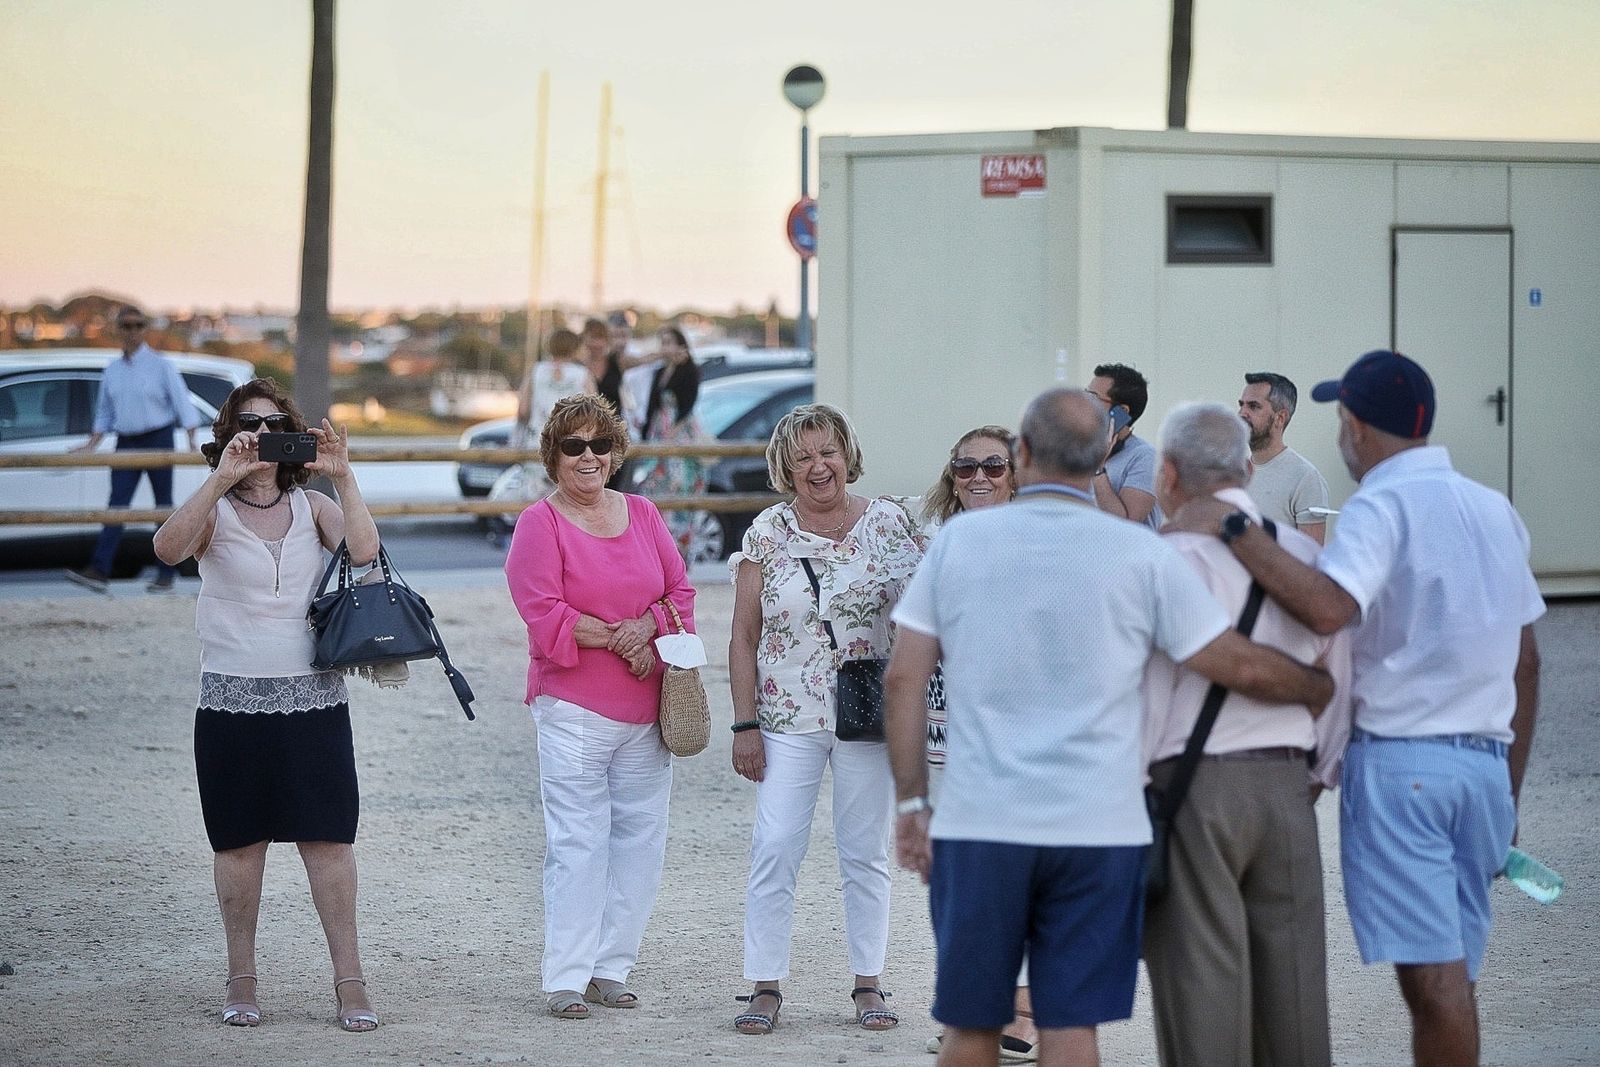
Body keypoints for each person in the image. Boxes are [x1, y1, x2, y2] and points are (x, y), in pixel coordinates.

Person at [883, 388, 1334, 1067]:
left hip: (982, 819)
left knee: (970, 1028)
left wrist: (913, 802)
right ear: (1102, 459)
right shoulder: (1137, 552)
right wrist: (1314, 686)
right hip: (1100, 824)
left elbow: (903, 679)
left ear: (1022, 453)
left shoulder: (959, 544)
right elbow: (1228, 659)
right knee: (1072, 1029)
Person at [1167, 350, 1544, 1067]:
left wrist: (1234, 528)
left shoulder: (1381, 504)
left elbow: (1329, 608)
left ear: (1356, 426)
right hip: (1484, 767)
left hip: (1405, 766)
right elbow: (1527, 661)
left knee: (1432, 983)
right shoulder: (1493, 508)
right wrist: (1508, 792)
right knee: (1456, 977)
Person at [150, 377, 382, 1032]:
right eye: (247, 423)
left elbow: (366, 554)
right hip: (231, 703)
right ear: (229, 434)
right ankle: (241, 978)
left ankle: (350, 982)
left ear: (291, 434)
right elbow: (167, 548)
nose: (260, 433)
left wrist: (343, 476)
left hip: (315, 702)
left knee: (329, 843)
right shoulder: (214, 510)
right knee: (239, 845)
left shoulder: (313, 505)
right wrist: (220, 479)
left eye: (274, 423)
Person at [1141, 402, 1353, 1067]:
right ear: (1246, 471)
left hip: (1189, 788)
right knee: (1296, 1000)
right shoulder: (1300, 555)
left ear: (1168, 473)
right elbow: (1341, 678)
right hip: (1288, 782)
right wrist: (1312, 774)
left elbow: (1142, 694)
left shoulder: (1160, 558)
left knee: (1202, 997)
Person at [727, 403, 927, 1036]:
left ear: (848, 455)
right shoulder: (767, 532)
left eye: (828, 452)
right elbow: (743, 634)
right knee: (775, 845)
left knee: (864, 852)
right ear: (785, 468)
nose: (819, 467)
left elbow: (929, 609)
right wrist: (744, 724)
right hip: (787, 714)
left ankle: (868, 982)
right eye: (803, 457)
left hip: (868, 714)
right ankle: (764, 985)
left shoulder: (890, 523)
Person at [505, 392, 697, 1021]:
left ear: (615, 452)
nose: (587, 456)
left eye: (599, 444)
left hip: (647, 708)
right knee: (578, 843)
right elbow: (542, 612)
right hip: (573, 709)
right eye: (573, 445)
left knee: (642, 843)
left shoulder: (643, 513)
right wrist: (624, 636)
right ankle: (566, 976)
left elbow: (680, 591)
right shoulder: (539, 523)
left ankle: (611, 968)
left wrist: (648, 629)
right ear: (553, 456)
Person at [918, 427, 1038, 1063]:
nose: (980, 477)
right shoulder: (936, 543)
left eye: (994, 465)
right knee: (958, 881)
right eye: (966, 468)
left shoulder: (1038, 542)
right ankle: (972, 1006)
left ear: (1017, 474)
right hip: (945, 736)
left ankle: (1024, 1007)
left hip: (1015, 740)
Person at [66, 305, 202, 593]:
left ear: (145, 329)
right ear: (119, 329)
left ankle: (166, 572)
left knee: (162, 505)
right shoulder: (113, 370)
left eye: (138, 325)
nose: (133, 331)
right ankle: (99, 570)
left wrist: (191, 441)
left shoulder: (161, 365)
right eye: (127, 326)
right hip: (126, 441)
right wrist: (91, 444)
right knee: (117, 506)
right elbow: (105, 412)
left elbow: (182, 402)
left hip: (159, 438)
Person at [635, 326, 708, 561]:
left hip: (680, 430)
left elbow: (688, 403)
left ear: (680, 344)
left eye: (669, 342)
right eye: (663, 342)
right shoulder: (659, 371)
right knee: (654, 484)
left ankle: (680, 550)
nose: (665, 347)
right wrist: (646, 434)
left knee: (681, 483)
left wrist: (673, 431)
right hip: (659, 430)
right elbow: (651, 405)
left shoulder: (689, 370)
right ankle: (659, 548)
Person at [1238, 372, 1331, 543]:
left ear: (1280, 418)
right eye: (1241, 405)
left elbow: (1310, 554)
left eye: (1253, 406)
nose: (1242, 413)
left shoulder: (1305, 478)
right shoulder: (1233, 473)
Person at [1086, 362, 1162, 529]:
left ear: (1121, 411)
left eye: (1093, 397)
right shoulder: (1081, 451)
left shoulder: (1145, 457)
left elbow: (1125, 525)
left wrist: (1098, 469)